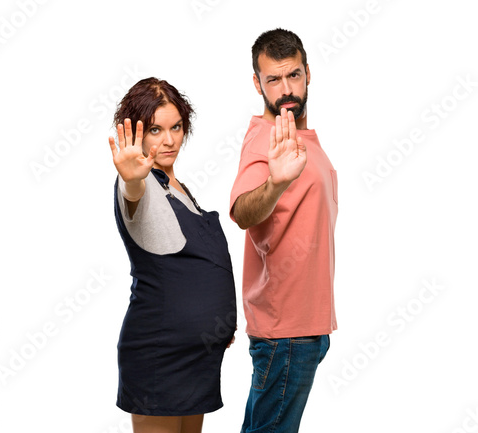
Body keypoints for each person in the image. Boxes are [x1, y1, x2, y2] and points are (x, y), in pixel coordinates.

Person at [108, 77, 236, 433]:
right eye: (155, 129)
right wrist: (132, 178)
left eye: (176, 127)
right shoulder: (141, 182)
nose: (169, 140)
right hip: (159, 356)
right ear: (135, 134)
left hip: (199, 357)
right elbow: (131, 192)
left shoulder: (179, 187)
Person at [229, 29, 338, 432]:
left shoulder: (304, 137)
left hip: (305, 327)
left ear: (308, 73)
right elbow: (242, 210)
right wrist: (274, 184)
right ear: (257, 83)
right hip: (285, 330)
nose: (286, 88)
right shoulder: (265, 140)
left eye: (293, 75)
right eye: (273, 79)